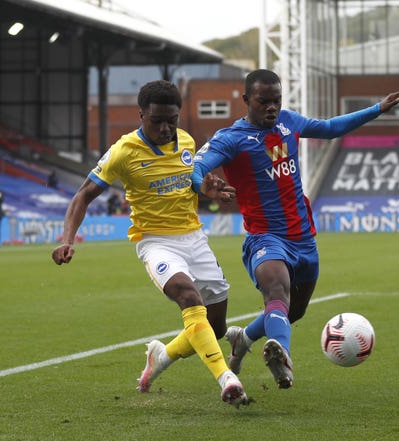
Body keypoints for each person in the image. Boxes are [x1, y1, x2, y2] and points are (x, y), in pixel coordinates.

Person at [192, 69, 399, 389]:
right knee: (276, 290)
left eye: (276, 101)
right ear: (246, 101)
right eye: (263, 101)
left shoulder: (288, 122)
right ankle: (282, 356)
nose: (272, 107)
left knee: (292, 312)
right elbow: (197, 166)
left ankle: (244, 339)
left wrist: (377, 108)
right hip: (265, 237)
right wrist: (203, 184)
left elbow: (329, 128)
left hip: (304, 237)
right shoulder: (231, 138)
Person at [51, 80, 250, 407]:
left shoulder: (185, 141)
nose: (165, 127)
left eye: (171, 119)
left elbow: (193, 181)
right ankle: (227, 379)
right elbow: (84, 194)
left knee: (213, 329)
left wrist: (205, 190)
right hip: (156, 242)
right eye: (156, 120)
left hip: (194, 239)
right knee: (188, 296)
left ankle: (162, 356)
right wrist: (67, 239)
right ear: (141, 115)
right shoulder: (124, 151)